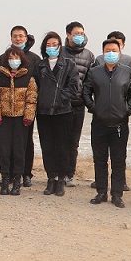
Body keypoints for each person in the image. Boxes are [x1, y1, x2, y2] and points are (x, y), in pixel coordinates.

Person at [83, 39, 131, 208]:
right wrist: (93, 108)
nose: (111, 53)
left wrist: (127, 109)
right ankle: (101, 192)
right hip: (99, 123)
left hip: (120, 124)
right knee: (100, 159)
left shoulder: (127, 72)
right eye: (107, 50)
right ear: (103, 53)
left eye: (114, 50)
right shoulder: (94, 72)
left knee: (118, 161)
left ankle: (117, 194)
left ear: (119, 53)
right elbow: (85, 92)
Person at [34, 31, 79, 197]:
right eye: (48, 45)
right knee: (47, 147)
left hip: (62, 112)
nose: (51, 47)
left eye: (55, 44)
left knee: (62, 147)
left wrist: (60, 98)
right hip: (44, 112)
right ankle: (50, 178)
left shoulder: (68, 64)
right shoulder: (39, 66)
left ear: (60, 46)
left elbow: (74, 86)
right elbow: (34, 87)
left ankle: (61, 179)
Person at [0, 46, 38, 196]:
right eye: (11, 58)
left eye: (16, 58)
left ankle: (17, 181)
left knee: (19, 151)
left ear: (22, 59)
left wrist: (28, 117)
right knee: (3, 150)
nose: (14, 60)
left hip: (21, 120)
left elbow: (32, 99)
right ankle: (5, 180)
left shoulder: (28, 77)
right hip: (3, 119)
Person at [60, 21, 95, 187]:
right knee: (59, 140)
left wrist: (88, 102)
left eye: (82, 33)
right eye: (76, 33)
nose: (79, 36)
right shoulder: (59, 52)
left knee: (73, 142)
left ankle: (70, 174)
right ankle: (58, 173)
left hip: (78, 104)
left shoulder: (89, 55)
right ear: (68, 35)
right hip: (60, 104)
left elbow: (90, 82)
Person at [9, 25, 40, 186]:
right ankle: (11, 173)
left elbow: (39, 82)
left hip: (28, 106)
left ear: (26, 38)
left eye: (21, 36)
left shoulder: (34, 59)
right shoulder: (6, 57)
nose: (18, 38)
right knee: (11, 142)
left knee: (27, 141)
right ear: (11, 38)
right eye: (15, 36)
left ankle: (26, 174)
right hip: (9, 107)